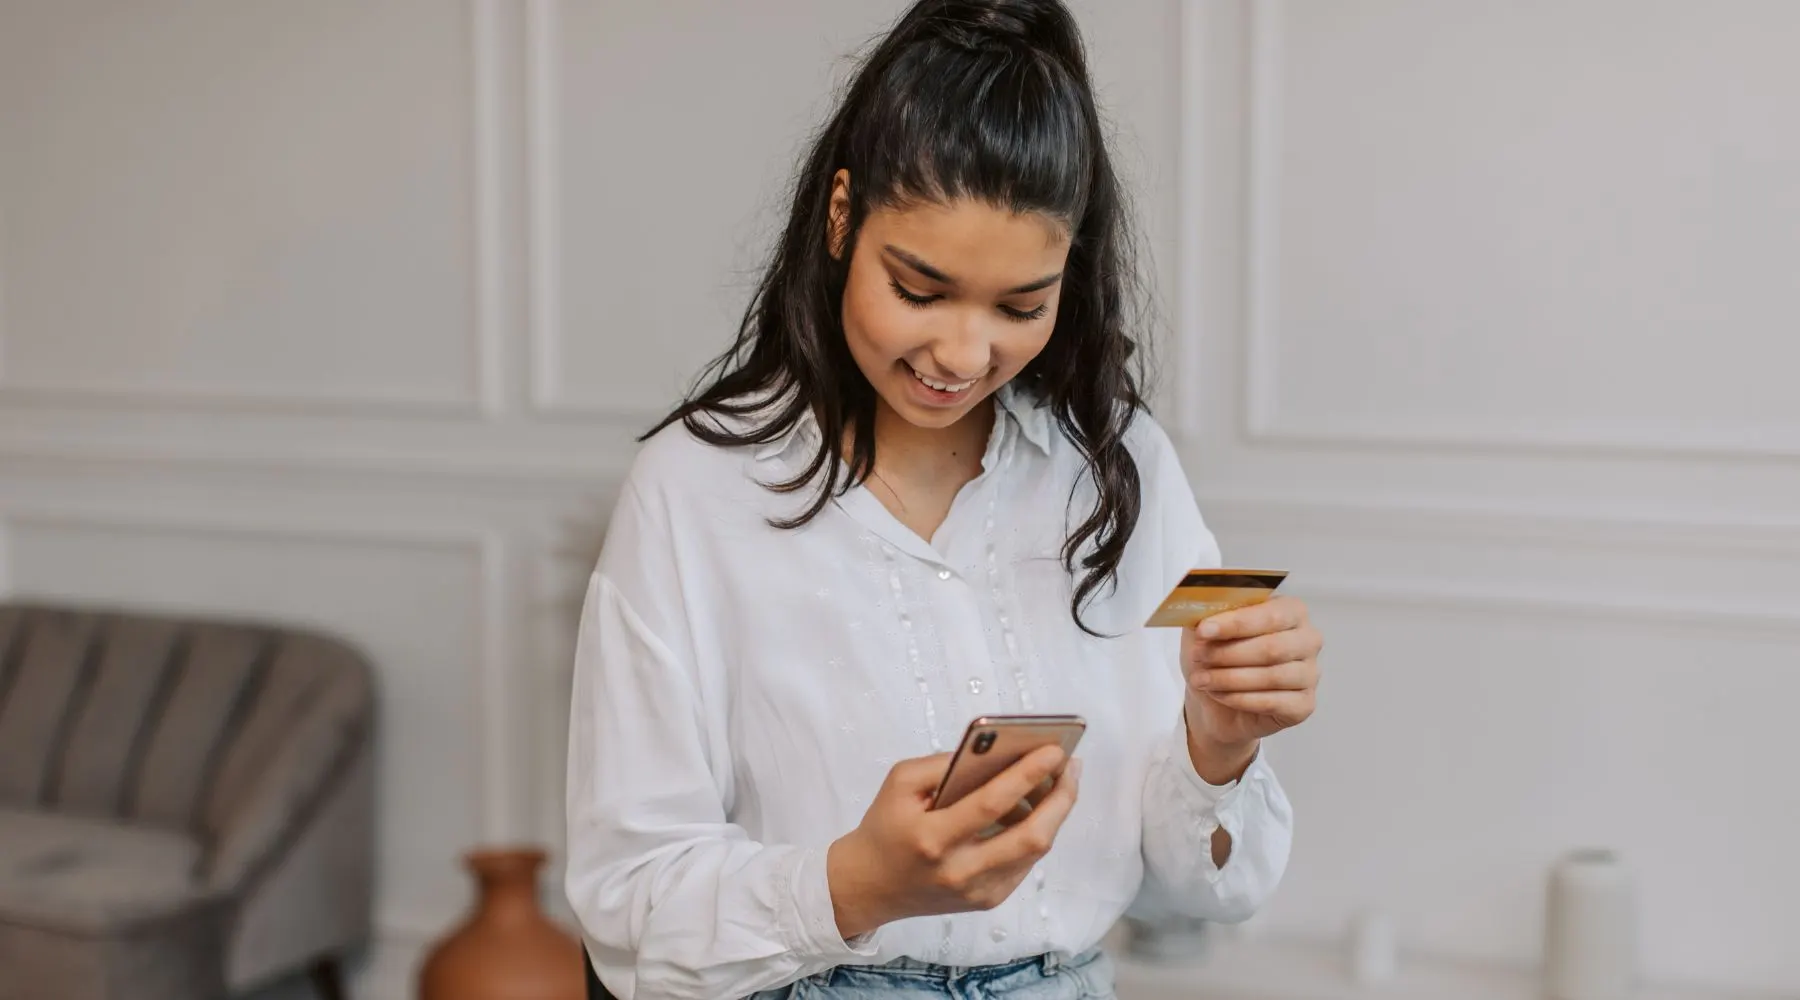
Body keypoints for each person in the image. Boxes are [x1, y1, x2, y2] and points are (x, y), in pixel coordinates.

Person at [563, 1, 1324, 997]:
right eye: (920, 289)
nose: (965, 356)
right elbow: (626, 903)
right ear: (841, 216)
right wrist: (851, 885)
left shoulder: (1123, 465)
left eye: (1021, 306)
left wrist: (1220, 745)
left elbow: (1207, 895)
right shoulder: (694, 487)